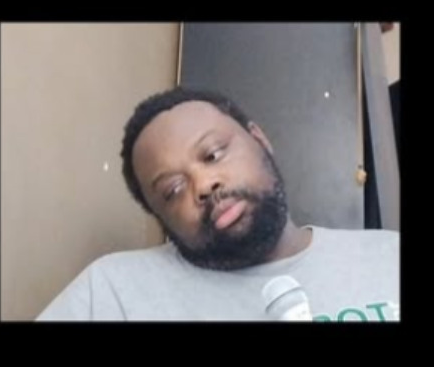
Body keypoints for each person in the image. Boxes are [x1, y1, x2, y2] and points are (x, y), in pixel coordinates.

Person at [36, 88, 400, 321]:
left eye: (212, 154)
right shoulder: (112, 290)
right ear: (160, 218)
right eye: (173, 190)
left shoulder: (388, 256)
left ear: (259, 140)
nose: (204, 185)